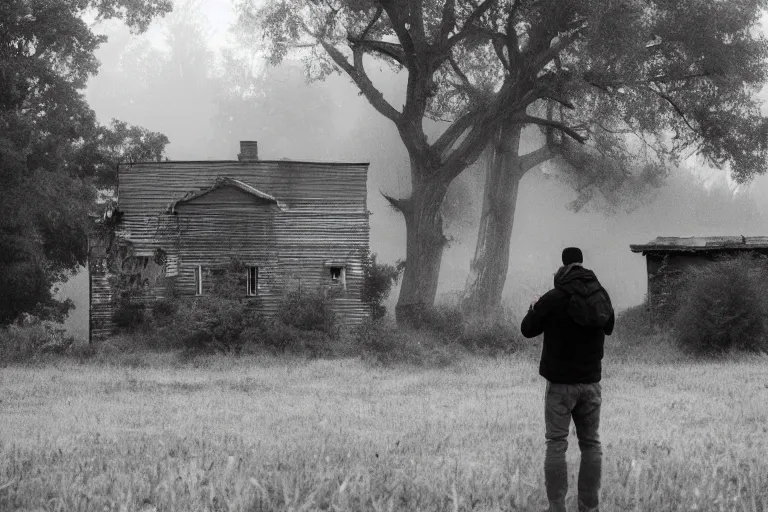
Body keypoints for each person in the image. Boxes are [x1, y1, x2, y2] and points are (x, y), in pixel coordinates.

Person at [520, 247, 615, 512]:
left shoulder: (554, 297)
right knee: (591, 444)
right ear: (582, 264)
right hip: (591, 383)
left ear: (562, 266)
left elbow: (527, 330)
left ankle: (557, 508)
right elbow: (609, 326)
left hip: (560, 385)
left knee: (556, 444)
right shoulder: (600, 294)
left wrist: (534, 307)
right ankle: (589, 507)